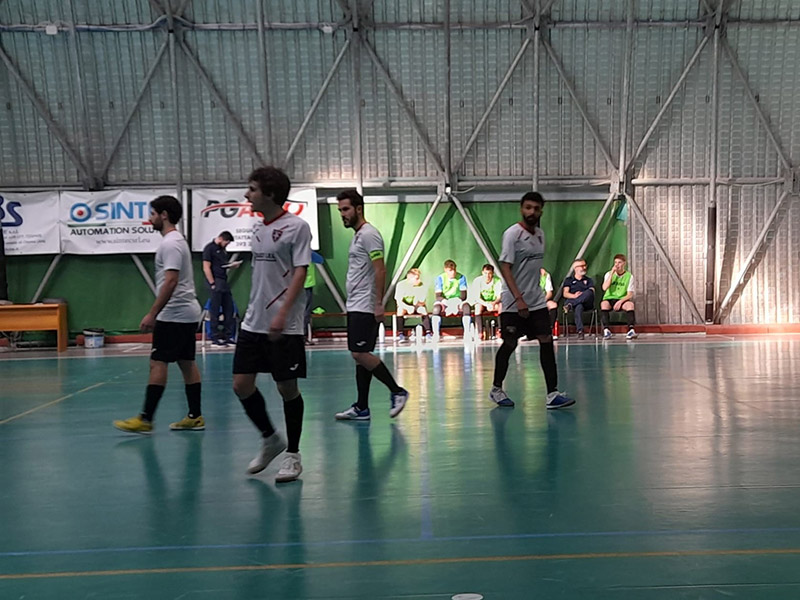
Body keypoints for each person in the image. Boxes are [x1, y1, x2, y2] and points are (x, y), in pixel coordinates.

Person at [232, 167, 312, 482]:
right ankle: (270, 438)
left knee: (286, 388)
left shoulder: (297, 227)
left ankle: (293, 454)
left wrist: (283, 313)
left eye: (252, 189)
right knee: (241, 385)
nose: (247, 194)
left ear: (270, 194)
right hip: (253, 322)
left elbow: (300, 272)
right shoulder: (257, 229)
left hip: (284, 324)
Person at [113, 196, 205, 434]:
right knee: (186, 362)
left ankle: (146, 418)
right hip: (185, 313)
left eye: (153, 214)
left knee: (158, 362)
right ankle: (195, 416)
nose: (150, 218)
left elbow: (171, 281)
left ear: (164, 215)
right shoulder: (175, 241)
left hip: (174, 314)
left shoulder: (171, 244)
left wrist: (153, 313)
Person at [489, 192, 573, 409]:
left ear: (541, 211)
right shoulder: (512, 235)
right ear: (521, 209)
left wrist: (533, 297)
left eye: (536, 208)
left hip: (536, 300)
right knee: (510, 343)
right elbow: (505, 268)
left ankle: (552, 394)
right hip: (513, 301)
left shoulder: (541, 235)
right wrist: (518, 299)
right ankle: (496, 389)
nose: (532, 212)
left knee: (546, 339)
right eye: (528, 207)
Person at [334, 189, 409, 421]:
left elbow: (380, 269)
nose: (342, 214)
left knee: (359, 353)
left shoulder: (370, 235)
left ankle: (397, 391)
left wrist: (378, 303)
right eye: (340, 210)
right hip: (355, 303)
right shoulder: (358, 236)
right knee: (361, 356)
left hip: (365, 304)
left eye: (346, 209)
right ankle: (362, 407)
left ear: (358, 209)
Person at [202, 231, 239, 346]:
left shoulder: (222, 250)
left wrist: (231, 265)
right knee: (215, 309)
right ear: (222, 239)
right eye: (226, 242)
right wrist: (212, 283)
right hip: (215, 281)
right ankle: (215, 337)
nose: (227, 245)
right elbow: (206, 267)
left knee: (229, 308)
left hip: (223, 281)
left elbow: (222, 265)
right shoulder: (209, 248)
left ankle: (228, 336)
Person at [601, 254, 638, 340]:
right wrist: (611, 274)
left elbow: (630, 294)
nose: (617, 265)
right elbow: (604, 288)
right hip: (609, 298)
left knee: (630, 305)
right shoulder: (608, 274)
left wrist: (620, 301)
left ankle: (631, 330)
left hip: (622, 299)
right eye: (615, 262)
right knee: (604, 304)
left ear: (624, 263)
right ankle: (606, 330)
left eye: (619, 262)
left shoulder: (629, 276)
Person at [432, 259, 471, 339]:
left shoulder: (461, 277)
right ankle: (436, 333)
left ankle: (467, 332)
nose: (453, 272)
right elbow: (438, 296)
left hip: (457, 300)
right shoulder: (440, 278)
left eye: (454, 270)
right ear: (445, 270)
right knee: (436, 309)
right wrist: (447, 303)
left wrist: (455, 303)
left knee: (466, 307)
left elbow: (463, 296)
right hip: (445, 301)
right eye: (450, 270)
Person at [394, 267, 432, 342]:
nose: (419, 280)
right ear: (410, 279)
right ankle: (400, 334)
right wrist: (408, 307)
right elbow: (399, 302)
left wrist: (416, 305)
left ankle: (428, 333)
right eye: (417, 278)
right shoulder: (401, 285)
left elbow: (422, 301)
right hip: (404, 305)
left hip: (416, 305)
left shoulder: (421, 285)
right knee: (400, 311)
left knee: (423, 310)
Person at [561, 258, 595, 340]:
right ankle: (580, 331)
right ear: (575, 268)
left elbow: (592, 291)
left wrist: (580, 296)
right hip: (576, 302)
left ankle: (570, 305)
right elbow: (565, 293)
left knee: (589, 292)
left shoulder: (588, 280)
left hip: (587, 303)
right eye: (582, 266)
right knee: (579, 306)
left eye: (585, 265)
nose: (584, 267)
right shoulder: (569, 280)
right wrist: (574, 296)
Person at [470, 264, 502, 340]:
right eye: (485, 273)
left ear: (492, 273)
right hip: (482, 303)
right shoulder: (477, 281)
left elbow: (499, 296)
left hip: (493, 303)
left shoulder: (497, 281)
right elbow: (477, 298)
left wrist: (493, 303)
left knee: (501, 306)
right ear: (482, 272)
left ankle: (500, 330)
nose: (487, 276)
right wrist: (486, 304)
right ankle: (479, 332)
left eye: (489, 273)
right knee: (477, 307)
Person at [303, 250, 324, 344]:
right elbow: (320, 260)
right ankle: (303, 336)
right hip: (306, 285)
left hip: (295, 286)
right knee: (305, 313)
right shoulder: (309, 253)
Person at [540, 267, 558, 336]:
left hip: (541, 300)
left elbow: (549, 293)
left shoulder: (545, 275)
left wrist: (542, 301)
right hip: (527, 301)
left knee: (553, 305)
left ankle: (549, 331)